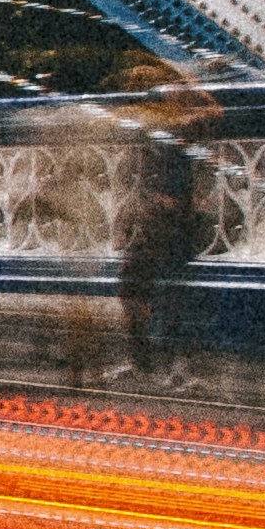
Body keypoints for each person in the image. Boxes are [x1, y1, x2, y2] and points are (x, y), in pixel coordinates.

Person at [109, 61, 211, 385]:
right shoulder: (145, 124)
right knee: (134, 292)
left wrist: (189, 82)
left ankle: (171, 366)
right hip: (147, 221)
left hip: (173, 221)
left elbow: (212, 113)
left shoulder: (179, 123)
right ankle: (146, 362)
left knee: (168, 298)